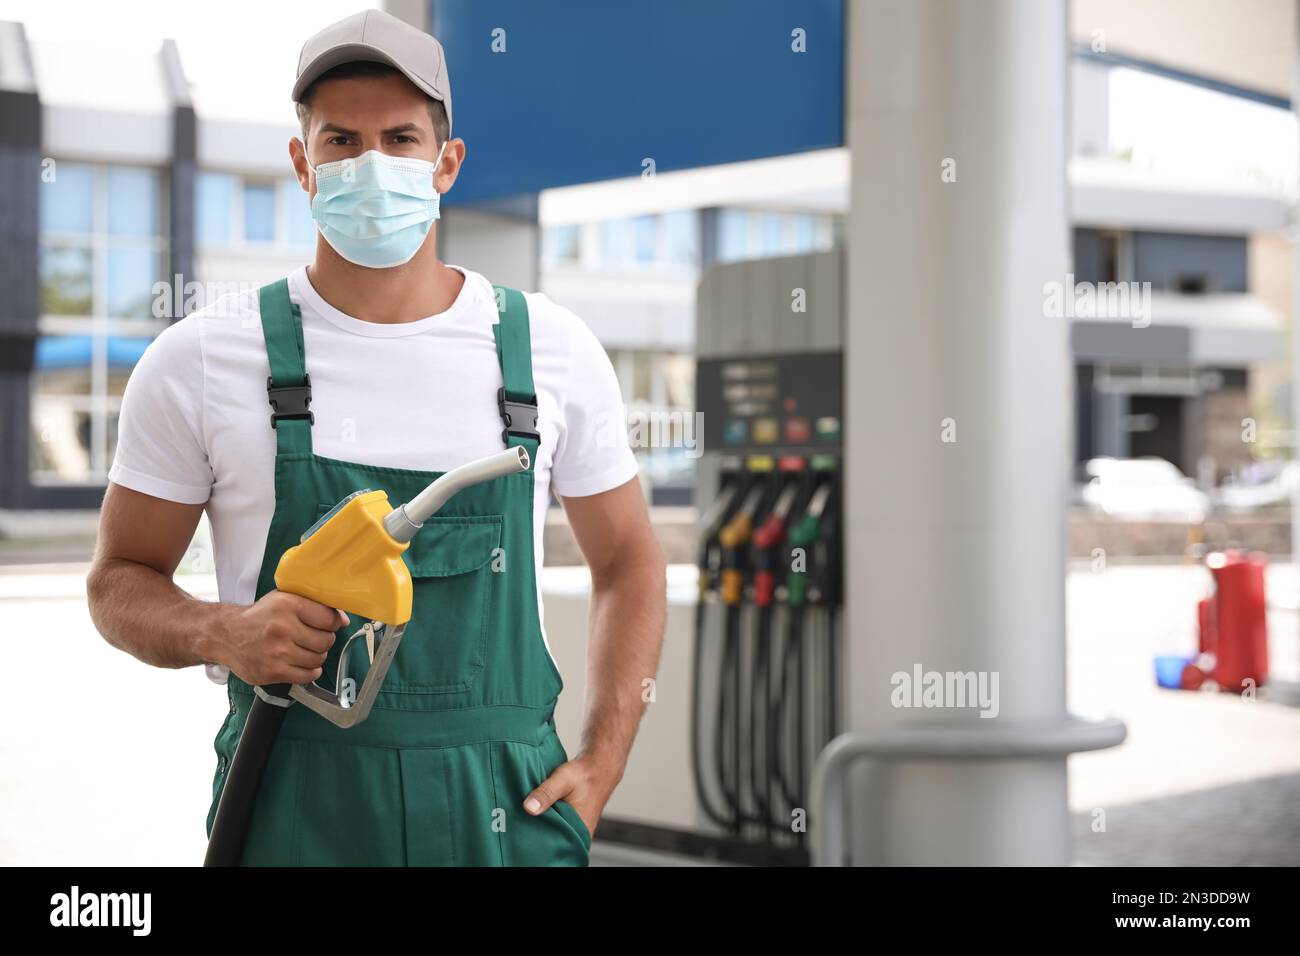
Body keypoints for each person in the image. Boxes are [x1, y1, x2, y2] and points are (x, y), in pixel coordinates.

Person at [86, 8, 667, 866]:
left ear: (446, 163)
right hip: (292, 799)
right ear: (302, 164)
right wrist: (223, 632)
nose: (372, 165)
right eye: (341, 142)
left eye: (400, 139)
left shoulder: (551, 351)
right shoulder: (200, 360)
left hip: (502, 806)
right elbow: (117, 583)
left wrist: (606, 759)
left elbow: (629, 562)